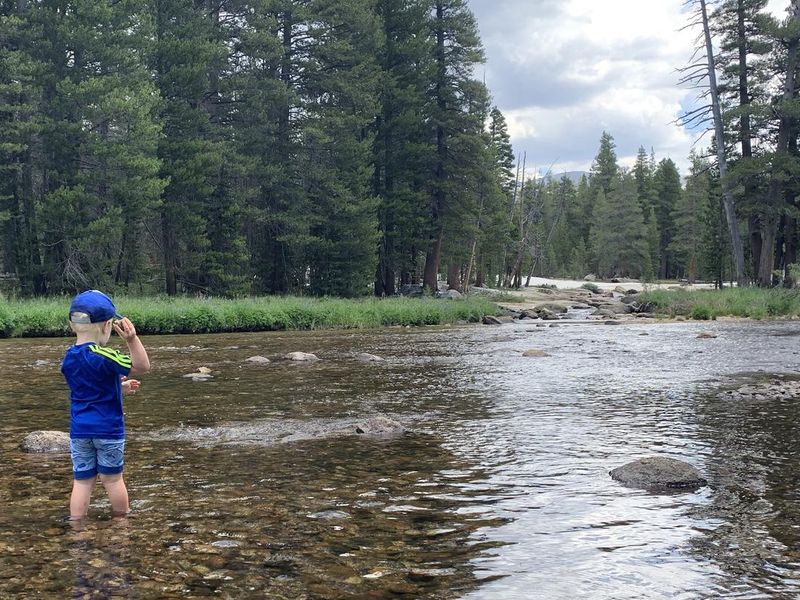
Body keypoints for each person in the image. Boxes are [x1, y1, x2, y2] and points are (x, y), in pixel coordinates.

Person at [60, 290, 150, 521]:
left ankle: (77, 527)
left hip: (80, 431)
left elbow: (88, 387)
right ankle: (121, 522)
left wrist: (119, 387)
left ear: (72, 326)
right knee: (112, 479)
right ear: (107, 325)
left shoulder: (69, 357)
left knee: (82, 481)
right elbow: (142, 366)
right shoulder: (105, 355)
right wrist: (131, 339)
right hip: (108, 429)